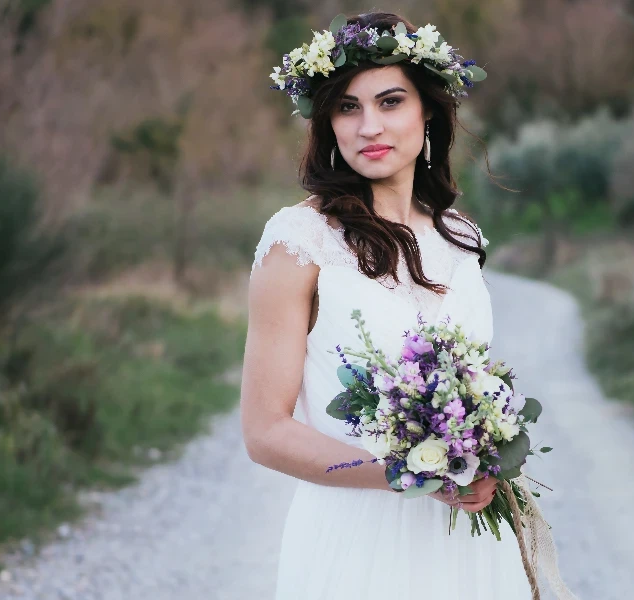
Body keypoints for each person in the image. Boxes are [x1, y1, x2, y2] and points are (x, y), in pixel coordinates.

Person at [242, 11, 575, 599]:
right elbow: (265, 430)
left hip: (467, 546)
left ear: (428, 114)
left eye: (390, 102)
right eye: (347, 107)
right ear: (327, 125)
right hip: (353, 541)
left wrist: (482, 457)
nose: (368, 125)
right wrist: (404, 476)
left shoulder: (461, 237)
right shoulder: (298, 241)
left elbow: (472, 381)